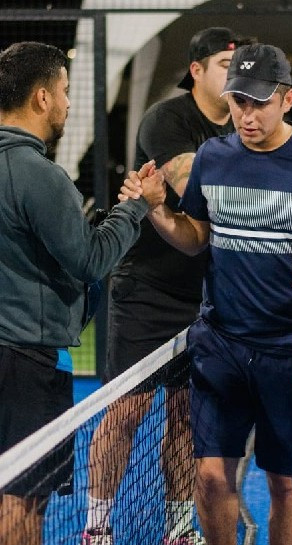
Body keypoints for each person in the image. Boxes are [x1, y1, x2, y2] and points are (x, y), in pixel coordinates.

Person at [120, 42, 292, 545]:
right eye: (239, 101)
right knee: (210, 475)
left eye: (259, 102)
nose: (247, 114)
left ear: (287, 99)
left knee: (285, 481)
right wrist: (156, 209)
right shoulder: (213, 158)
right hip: (221, 345)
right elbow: (195, 236)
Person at [83, 27, 254, 545]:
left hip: (206, 298)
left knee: (185, 417)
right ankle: (96, 526)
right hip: (147, 291)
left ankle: (178, 527)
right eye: (225, 65)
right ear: (196, 71)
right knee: (126, 411)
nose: (236, 75)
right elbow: (194, 189)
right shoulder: (167, 119)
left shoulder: (245, 124)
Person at [0, 42, 161, 545]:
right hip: (25, 364)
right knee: (22, 496)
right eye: (66, 91)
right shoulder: (38, 174)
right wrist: (135, 208)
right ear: (42, 97)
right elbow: (91, 260)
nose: (69, 104)